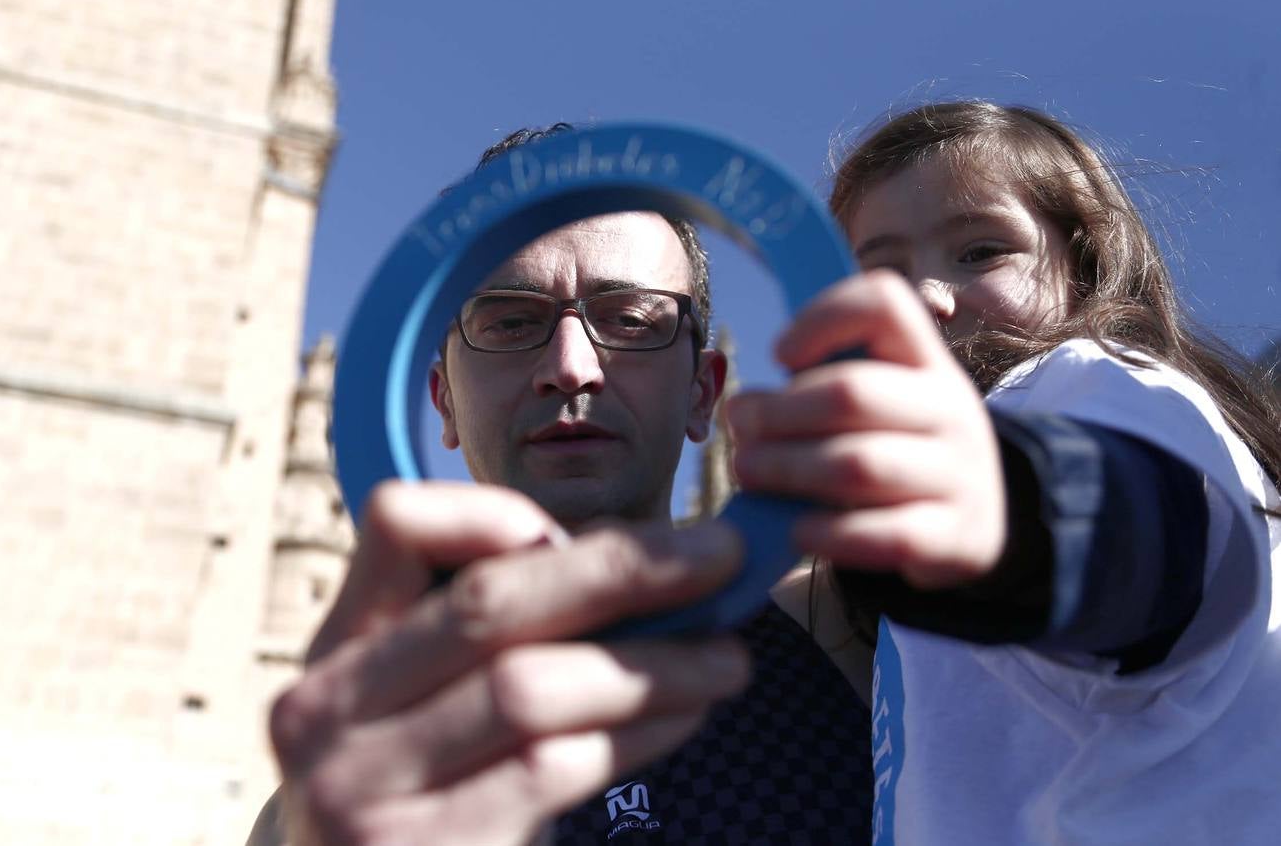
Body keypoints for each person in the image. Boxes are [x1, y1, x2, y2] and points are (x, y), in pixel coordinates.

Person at [249, 125, 873, 846]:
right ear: (442, 399)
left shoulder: (861, 643)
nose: (571, 366)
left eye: (631, 320)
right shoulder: (345, 787)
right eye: (510, 322)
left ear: (704, 393)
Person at [727, 101, 1281, 844]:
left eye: (980, 251)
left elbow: (1146, 532)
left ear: (1082, 263)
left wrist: (1011, 518)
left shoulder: (1081, 382)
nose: (926, 296)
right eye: (881, 273)